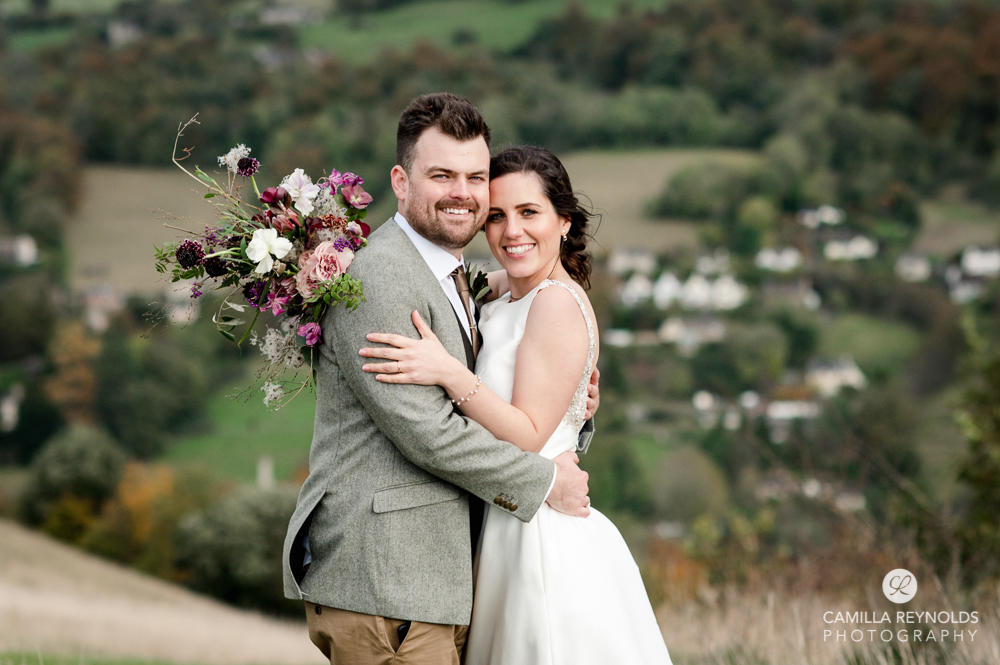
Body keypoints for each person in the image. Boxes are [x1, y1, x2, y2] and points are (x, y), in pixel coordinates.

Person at [281, 93, 599, 665]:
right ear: (402, 182)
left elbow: (522, 382)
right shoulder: (380, 280)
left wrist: (576, 408)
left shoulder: (458, 277)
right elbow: (429, 434)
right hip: (387, 580)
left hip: (441, 580)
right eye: (442, 175)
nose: (464, 193)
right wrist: (543, 480)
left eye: (476, 177)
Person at [360, 145, 674, 664]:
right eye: (497, 216)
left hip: (540, 533)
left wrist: (446, 371)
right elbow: (461, 286)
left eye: (530, 213)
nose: (512, 232)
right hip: (505, 517)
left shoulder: (554, 302)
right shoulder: (509, 292)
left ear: (564, 221)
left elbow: (529, 434)